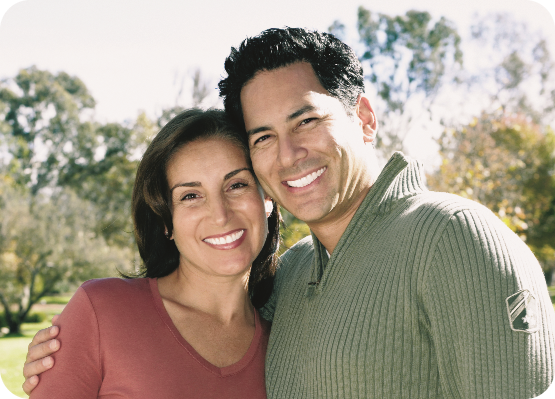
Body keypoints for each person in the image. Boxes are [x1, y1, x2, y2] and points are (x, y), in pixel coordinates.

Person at [24, 28, 555, 398]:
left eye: (305, 122)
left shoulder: (455, 238)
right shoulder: (292, 277)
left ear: (364, 117)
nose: (288, 154)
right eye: (264, 137)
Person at [26, 109, 280, 399]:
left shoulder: (285, 349)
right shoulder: (101, 313)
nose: (220, 215)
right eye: (190, 196)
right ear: (165, 221)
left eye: (237, 185)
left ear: (267, 197)